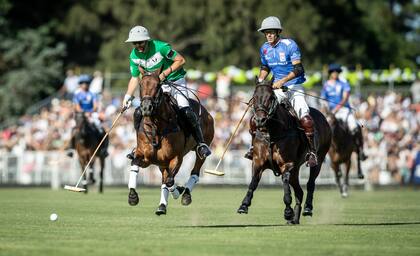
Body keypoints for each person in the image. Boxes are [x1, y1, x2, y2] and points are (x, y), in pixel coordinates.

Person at [122, 25, 211, 159]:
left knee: (185, 110)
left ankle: (200, 143)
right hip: (156, 86)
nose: (138, 46)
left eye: (140, 42)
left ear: (146, 40)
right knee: (139, 112)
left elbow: (181, 60)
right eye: (134, 43)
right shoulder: (134, 55)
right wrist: (127, 96)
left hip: (175, 81)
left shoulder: (161, 47)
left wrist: (164, 75)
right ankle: (139, 146)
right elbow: (135, 77)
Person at [244, 16, 318, 167]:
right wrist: (260, 83)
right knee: (258, 115)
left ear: (278, 32)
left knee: (305, 118)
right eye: (266, 33)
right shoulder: (264, 48)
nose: (269, 35)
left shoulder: (290, 45)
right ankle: (254, 147)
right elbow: (265, 67)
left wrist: (282, 81)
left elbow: (298, 69)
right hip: (276, 89)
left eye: (271, 32)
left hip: (294, 87)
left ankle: (312, 152)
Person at [321, 64, 367, 160]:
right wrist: (325, 107)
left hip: (344, 110)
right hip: (331, 112)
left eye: (337, 72)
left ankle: (359, 149)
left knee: (354, 126)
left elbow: (345, 97)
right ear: (330, 73)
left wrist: (337, 108)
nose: (335, 74)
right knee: (322, 129)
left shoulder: (343, 83)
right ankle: (322, 152)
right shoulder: (326, 85)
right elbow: (323, 98)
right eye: (333, 72)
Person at [67, 74, 108, 157]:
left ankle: (104, 149)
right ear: (80, 84)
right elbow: (77, 106)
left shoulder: (92, 94)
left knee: (101, 129)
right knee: (73, 129)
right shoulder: (78, 95)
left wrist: (90, 112)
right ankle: (71, 149)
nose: (85, 85)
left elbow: (95, 106)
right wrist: (83, 113)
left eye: (86, 83)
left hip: (92, 114)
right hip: (80, 115)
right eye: (83, 83)